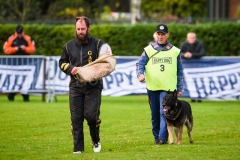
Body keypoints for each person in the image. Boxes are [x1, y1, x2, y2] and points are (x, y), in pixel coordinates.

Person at [59, 16, 114, 154]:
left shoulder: (98, 44)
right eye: (78, 29)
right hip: (75, 86)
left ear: (88, 28)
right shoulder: (68, 46)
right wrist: (70, 68)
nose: (80, 31)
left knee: (91, 116)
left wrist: (98, 70)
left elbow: (108, 61)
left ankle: (95, 140)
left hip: (93, 86)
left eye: (83, 29)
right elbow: (61, 63)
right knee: (76, 119)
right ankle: (78, 149)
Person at [136, 24, 184, 145]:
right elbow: (139, 64)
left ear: (168, 35)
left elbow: (180, 71)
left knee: (164, 112)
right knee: (155, 113)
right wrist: (140, 74)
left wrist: (179, 87)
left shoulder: (175, 51)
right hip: (152, 87)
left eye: (163, 34)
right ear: (155, 35)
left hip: (168, 88)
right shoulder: (149, 50)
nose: (160, 36)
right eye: (159, 34)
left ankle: (163, 138)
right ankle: (157, 137)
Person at [3, 24, 36, 102]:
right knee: (13, 79)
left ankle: (25, 97)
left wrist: (25, 49)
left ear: (22, 32)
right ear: (16, 32)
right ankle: (11, 95)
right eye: (18, 33)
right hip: (13, 65)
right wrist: (16, 49)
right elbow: (6, 49)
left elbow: (32, 49)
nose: (19, 34)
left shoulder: (28, 38)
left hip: (25, 64)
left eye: (20, 33)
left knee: (25, 80)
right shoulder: (11, 38)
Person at [180, 32, 205, 102]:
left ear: (195, 38)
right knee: (190, 82)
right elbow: (179, 53)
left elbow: (202, 53)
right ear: (187, 38)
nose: (192, 39)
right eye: (190, 38)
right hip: (187, 68)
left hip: (198, 67)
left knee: (199, 82)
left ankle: (200, 97)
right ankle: (192, 97)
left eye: (193, 38)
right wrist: (184, 55)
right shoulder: (183, 44)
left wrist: (192, 55)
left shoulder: (199, 44)